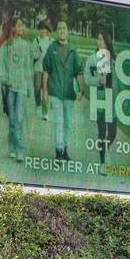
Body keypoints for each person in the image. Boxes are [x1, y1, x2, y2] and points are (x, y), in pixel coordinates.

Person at [40, 21, 85, 160]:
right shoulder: (51, 49)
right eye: (59, 28)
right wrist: (45, 92)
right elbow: (46, 71)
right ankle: (58, 150)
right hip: (55, 92)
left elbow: (79, 72)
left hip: (69, 94)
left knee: (67, 123)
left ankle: (65, 148)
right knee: (59, 121)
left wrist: (81, 90)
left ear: (67, 31)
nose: (61, 30)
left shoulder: (73, 50)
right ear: (56, 31)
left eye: (64, 28)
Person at [0, 17, 34, 162]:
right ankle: (11, 147)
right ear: (12, 27)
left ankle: (20, 150)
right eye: (18, 24)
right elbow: (1, 65)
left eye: (22, 24)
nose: (21, 26)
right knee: (12, 119)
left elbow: (28, 67)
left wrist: (29, 87)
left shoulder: (25, 45)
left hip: (22, 88)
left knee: (19, 118)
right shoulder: (6, 45)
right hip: (10, 88)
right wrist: (5, 80)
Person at [84, 30, 117, 164]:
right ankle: (103, 161)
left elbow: (118, 80)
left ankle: (105, 148)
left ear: (107, 42)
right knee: (102, 132)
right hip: (98, 100)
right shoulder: (92, 59)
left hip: (112, 100)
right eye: (98, 39)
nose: (100, 43)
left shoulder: (113, 59)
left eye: (103, 40)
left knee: (113, 133)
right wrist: (98, 81)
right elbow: (87, 78)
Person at [34, 23, 52, 120]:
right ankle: (37, 105)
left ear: (47, 30)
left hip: (47, 71)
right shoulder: (35, 40)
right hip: (37, 68)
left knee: (46, 91)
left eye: (44, 29)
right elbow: (33, 55)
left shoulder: (51, 41)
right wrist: (37, 52)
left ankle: (46, 112)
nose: (42, 31)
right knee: (37, 88)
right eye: (40, 29)